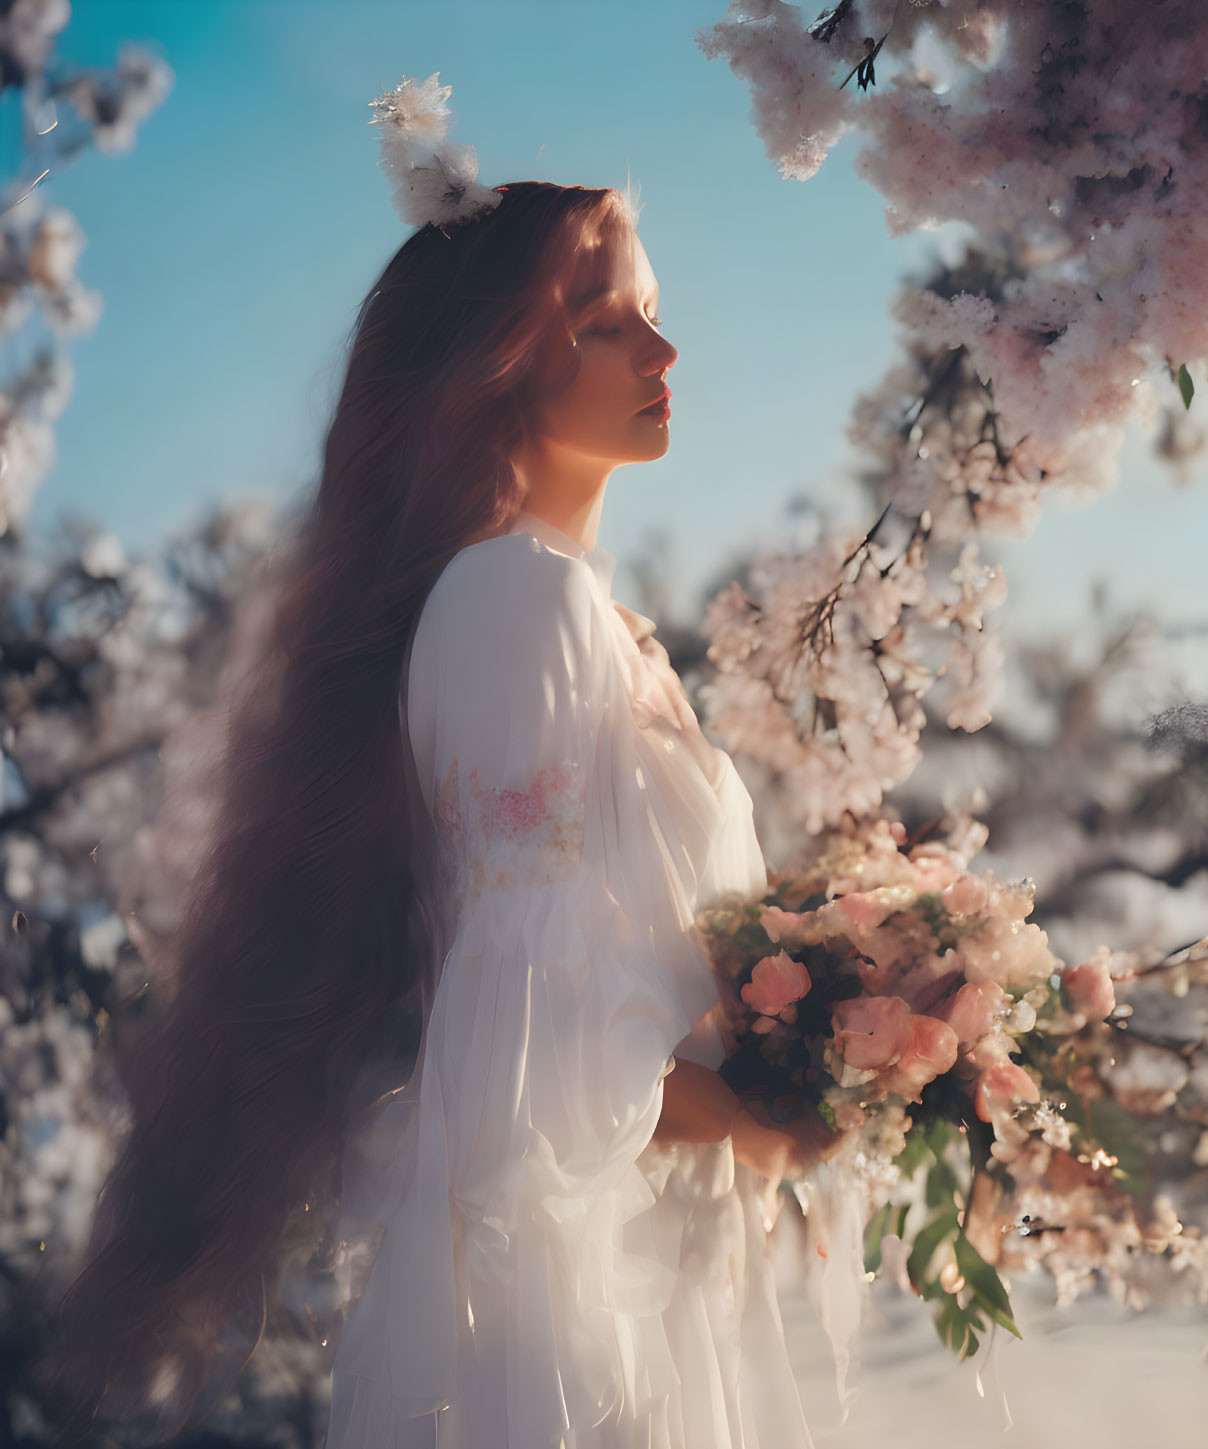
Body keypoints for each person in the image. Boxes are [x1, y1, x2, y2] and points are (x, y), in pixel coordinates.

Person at [35, 75, 843, 1447]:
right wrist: (760, 1115)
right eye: (603, 323)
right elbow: (526, 1039)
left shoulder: (592, 619)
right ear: (498, 365)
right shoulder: (509, 599)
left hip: (643, 1269)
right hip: (565, 1316)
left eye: (650, 308)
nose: (660, 349)